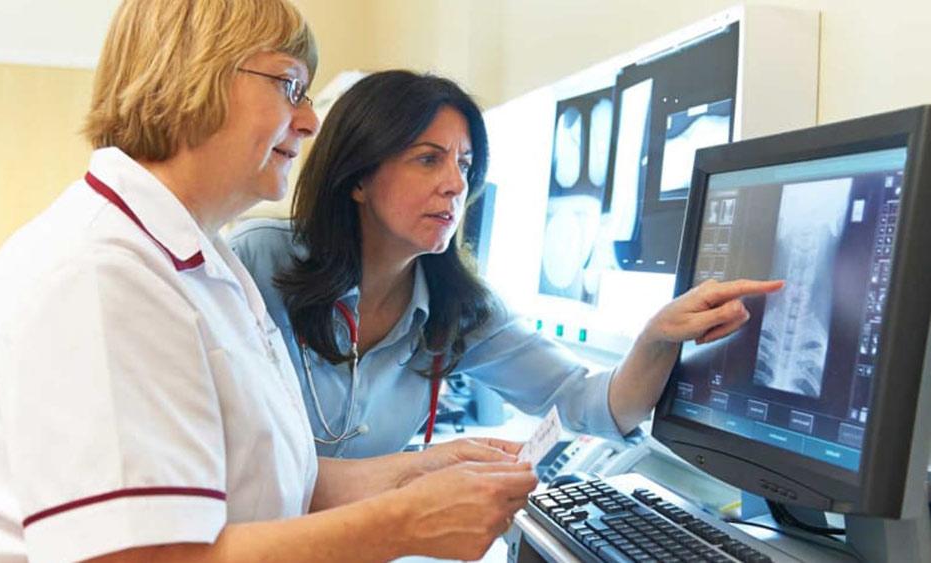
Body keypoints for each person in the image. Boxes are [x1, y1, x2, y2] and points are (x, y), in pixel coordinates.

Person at [0, 3, 538, 562]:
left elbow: (274, 478)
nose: (308, 122)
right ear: (196, 73)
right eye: (289, 86)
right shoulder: (101, 275)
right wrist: (405, 522)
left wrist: (420, 474)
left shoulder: (204, 264)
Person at [229, 70, 784, 459]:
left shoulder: (458, 306)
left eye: (465, 164)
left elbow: (587, 406)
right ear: (357, 177)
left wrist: (657, 336)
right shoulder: (258, 261)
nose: (456, 184)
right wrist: (409, 480)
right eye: (428, 159)